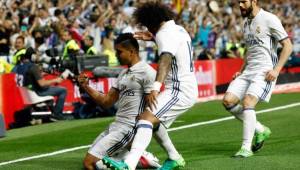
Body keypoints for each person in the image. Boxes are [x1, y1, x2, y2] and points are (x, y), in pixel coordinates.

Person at [103, 2, 198, 170]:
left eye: (148, 25)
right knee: (150, 121)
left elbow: (166, 59)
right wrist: (154, 38)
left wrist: (155, 87)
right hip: (184, 87)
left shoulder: (164, 34)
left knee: (145, 120)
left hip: (179, 90)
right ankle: (174, 157)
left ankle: (129, 164)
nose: (148, 28)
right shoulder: (178, 30)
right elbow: (173, 48)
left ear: (152, 22)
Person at [222, 0, 293, 158]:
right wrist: (240, 71)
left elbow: (288, 46)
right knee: (228, 101)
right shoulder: (246, 23)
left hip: (264, 71)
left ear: (254, 1)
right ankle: (260, 129)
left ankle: (246, 148)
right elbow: (249, 50)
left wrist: (276, 70)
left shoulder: (269, 19)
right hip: (248, 71)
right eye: (238, 2)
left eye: (243, 1)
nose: (240, 5)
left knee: (248, 102)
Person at [79, 33, 159, 170]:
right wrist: (86, 86)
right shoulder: (123, 74)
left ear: (132, 51)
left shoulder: (147, 72)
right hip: (115, 126)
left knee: (89, 163)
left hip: (128, 129)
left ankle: (135, 152)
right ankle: (140, 159)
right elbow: (106, 101)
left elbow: (153, 107)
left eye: (119, 52)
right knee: (97, 163)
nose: (116, 55)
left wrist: (140, 133)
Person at [12, 47, 68, 120]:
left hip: (25, 94)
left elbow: (28, 78)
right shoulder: (33, 67)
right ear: (33, 56)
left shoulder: (19, 67)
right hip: (36, 93)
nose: (39, 58)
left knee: (49, 93)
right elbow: (42, 84)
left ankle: (52, 114)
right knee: (63, 90)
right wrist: (56, 80)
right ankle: (57, 114)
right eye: (37, 55)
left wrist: (41, 74)